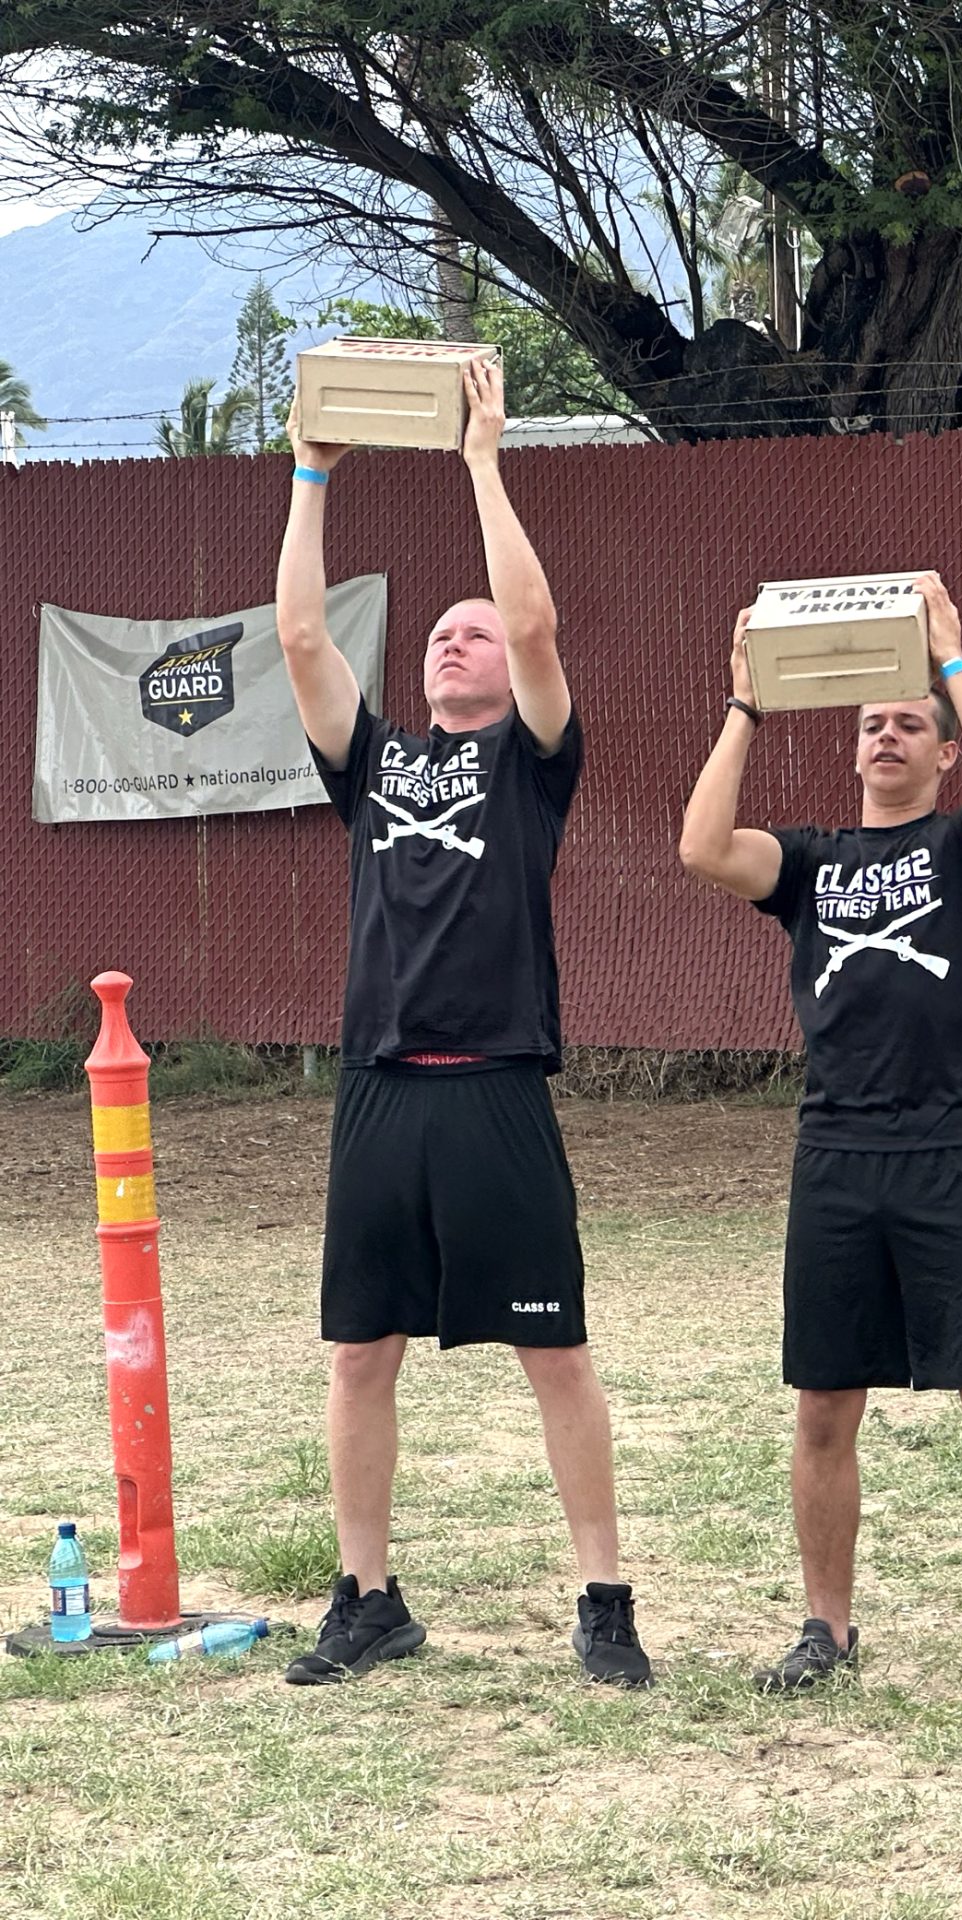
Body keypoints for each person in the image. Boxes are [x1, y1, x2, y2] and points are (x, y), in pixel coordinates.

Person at [275, 361, 649, 1688]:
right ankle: (368, 1597)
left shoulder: (530, 762)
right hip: (381, 1085)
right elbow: (302, 639)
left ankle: (604, 1599)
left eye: (470, 632)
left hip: (496, 1085)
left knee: (555, 1352)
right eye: (439, 632)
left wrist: (482, 459)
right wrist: (312, 471)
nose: (453, 641)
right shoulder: (376, 759)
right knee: (358, 1354)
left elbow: (536, 623)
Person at [678, 576, 962, 1709]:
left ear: (943, 753)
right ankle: (827, 1627)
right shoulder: (809, 861)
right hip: (836, 1158)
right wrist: (746, 704)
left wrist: (948, 658)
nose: (886, 736)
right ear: (852, 750)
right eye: (871, 724)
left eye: (908, 724)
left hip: (949, 1153)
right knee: (823, 1408)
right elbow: (703, 846)